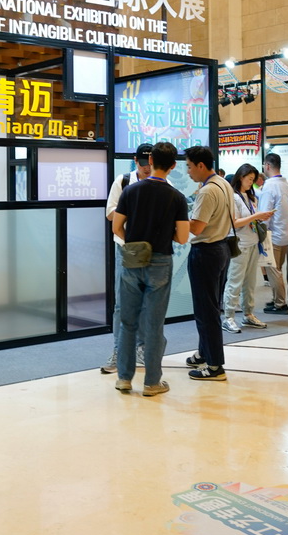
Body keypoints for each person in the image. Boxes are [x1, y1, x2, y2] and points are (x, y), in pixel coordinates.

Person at [111, 142, 190, 396]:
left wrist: (134, 243)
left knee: (128, 322)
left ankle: (124, 378)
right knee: (154, 325)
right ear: (173, 166)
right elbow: (182, 237)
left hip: (133, 260)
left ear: (151, 161)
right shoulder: (177, 197)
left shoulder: (130, 191)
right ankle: (152, 382)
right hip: (160, 262)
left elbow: (116, 227)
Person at [99, 143, 153, 374]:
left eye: (151, 163)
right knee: (122, 304)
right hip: (126, 248)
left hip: (152, 250)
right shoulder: (123, 181)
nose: (147, 168)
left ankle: (142, 349)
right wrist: (134, 211)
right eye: (143, 163)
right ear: (135, 160)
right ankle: (118, 351)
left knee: (148, 304)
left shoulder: (163, 183)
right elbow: (110, 213)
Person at [183, 145, 233, 381]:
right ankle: (204, 353)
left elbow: (197, 227)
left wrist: (176, 217)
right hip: (222, 249)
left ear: (201, 165)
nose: (188, 172)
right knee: (211, 306)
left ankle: (214, 366)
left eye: (189, 166)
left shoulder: (207, 191)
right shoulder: (223, 183)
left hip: (206, 252)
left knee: (206, 310)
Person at [221, 164, 273, 332]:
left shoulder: (251, 197)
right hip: (240, 244)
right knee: (235, 281)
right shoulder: (233, 197)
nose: (251, 182)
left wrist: (259, 217)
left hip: (253, 243)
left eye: (253, 180)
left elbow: (250, 219)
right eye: (249, 179)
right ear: (241, 177)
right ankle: (228, 316)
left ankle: (248, 314)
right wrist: (256, 216)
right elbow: (234, 222)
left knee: (250, 283)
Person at [259, 153, 288, 315]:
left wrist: (260, 233)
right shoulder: (285, 184)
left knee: (274, 270)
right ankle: (276, 299)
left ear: (267, 166)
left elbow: (265, 214)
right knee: (277, 269)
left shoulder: (270, 186)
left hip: (273, 234)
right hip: (285, 233)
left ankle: (280, 303)